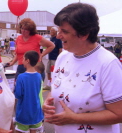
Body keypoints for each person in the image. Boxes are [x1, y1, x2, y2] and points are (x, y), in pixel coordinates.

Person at [43, 3, 122, 133]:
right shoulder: (63, 57)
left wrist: (75, 118)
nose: (58, 36)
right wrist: (49, 101)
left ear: (84, 34)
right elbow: (57, 87)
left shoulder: (108, 64)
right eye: (58, 30)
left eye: (65, 31)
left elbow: (119, 113)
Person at [14, 51, 44, 133]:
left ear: (27, 61)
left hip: (24, 111)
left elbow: (18, 95)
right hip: (36, 111)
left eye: (23, 58)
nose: (22, 60)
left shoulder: (21, 77)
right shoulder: (39, 76)